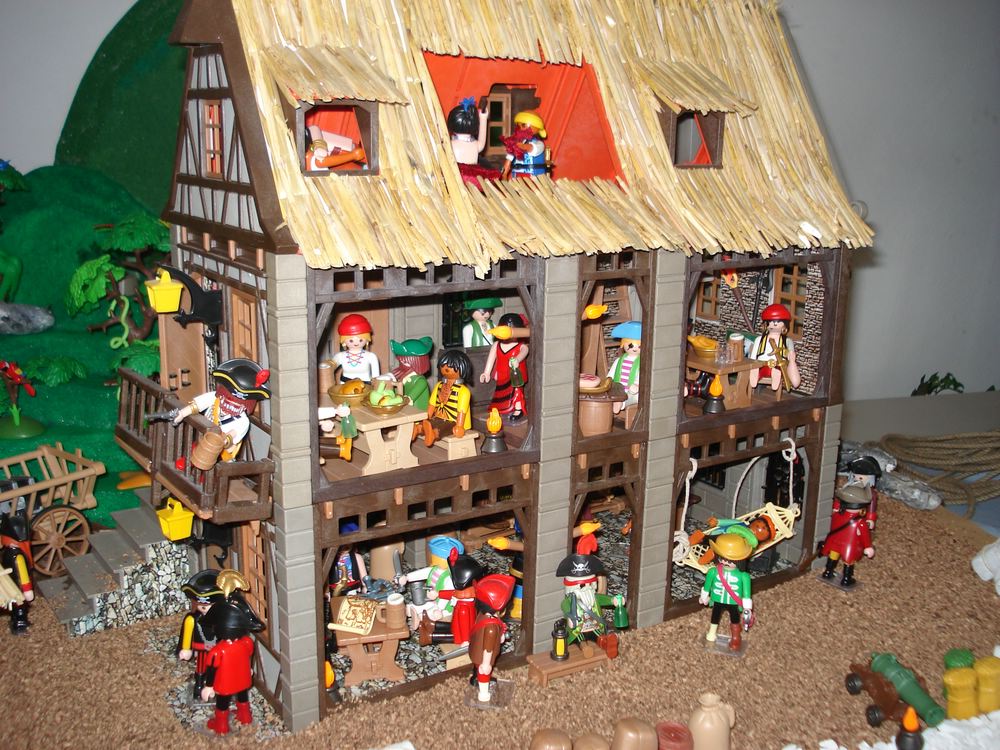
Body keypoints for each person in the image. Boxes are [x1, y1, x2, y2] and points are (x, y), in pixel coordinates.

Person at [171, 358, 271, 463]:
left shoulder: (242, 421)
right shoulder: (215, 398)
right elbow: (196, 406)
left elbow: (231, 437)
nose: (233, 402)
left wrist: (221, 441)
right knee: (189, 458)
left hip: (222, 455)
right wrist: (181, 414)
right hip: (202, 440)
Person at [201, 600, 262, 735]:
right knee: (242, 696)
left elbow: (211, 670)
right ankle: (245, 717)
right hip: (243, 680)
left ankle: (221, 725)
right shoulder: (247, 642)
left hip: (225, 685)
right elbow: (249, 656)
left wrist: (209, 686)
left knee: (222, 703)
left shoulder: (217, 651)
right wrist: (249, 669)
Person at [555, 553, 626, 657]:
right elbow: (564, 607)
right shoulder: (569, 600)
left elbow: (603, 599)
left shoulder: (594, 597)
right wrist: (570, 617)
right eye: (582, 585)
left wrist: (613, 600)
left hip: (595, 626)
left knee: (599, 636)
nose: (586, 588)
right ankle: (585, 648)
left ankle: (607, 643)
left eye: (590, 584)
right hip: (578, 630)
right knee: (580, 639)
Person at [417, 548, 485, 647]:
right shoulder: (462, 594)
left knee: (457, 634)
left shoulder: (464, 608)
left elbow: (465, 627)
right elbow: (453, 594)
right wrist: (439, 594)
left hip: (464, 628)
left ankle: (430, 637)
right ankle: (432, 625)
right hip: (458, 614)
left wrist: (466, 640)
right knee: (454, 626)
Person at [699, 532, 755, 651]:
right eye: (722, 559)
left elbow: (746, 594)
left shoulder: (743, 576)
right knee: (715, 616)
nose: (725, 563)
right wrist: (704, 596)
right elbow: (707, 586)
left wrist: (747, 607)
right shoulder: (713, 572)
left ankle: (735, 636)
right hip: (717, 600)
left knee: (735, 618)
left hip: (733, 603)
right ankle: (712, 632)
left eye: (730, 560)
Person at [177, 569, 225, 702]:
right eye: (201, 605)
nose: (204, 608)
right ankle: (198, 685)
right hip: (201, 648)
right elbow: (187, 633)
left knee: (217, 668)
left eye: (208, 605)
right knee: (200, 667)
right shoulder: (192, 619)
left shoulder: (221, 619)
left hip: (217, 649)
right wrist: (186, 648)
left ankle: (216, 687)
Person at [469, 573, 515, 704]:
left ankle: (475, 678)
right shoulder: (491, 628)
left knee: (478, 668)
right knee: (484, 673)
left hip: (475, 649)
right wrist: (486, 664)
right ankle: (483, 694)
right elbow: (488, 649)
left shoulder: (482, 615)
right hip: (482, 657)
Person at [819, 484, 875, 588]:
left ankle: (828, 571)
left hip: (834, 542)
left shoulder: (837, 515)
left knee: (833, 556)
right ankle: (846, 579)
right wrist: (868, 546)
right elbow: (865, 536)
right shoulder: (860, 522)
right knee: (848, 561)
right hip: (849, 546)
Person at [417, 349, 473, 448]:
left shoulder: (463, 391)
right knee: (427, 423)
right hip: (439, 416)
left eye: (448, 367)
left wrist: (460, 426)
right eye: (442, 366)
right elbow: (432, 404)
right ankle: (417, 429)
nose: (444, 369)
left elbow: (461, 411)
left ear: (461, 368)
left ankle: (433, 435)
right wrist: (427, 417)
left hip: (454, 421)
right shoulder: (439, 385)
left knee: (443, 427)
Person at [480, 313, 529, 423]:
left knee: (517, 391)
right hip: (501, 373)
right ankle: (501, 409)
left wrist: (517, 360)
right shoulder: (496, 345)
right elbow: (491, 359)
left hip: (515, 375)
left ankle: (518, 409)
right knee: (500, 393)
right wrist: (486, 373)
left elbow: (523, 353)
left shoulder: (522, 346)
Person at [748, 303, 801, 392]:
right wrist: (753, 365)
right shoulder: (759, 340)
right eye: (771, 322)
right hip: (761, 366)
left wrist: (791, 359)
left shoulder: (786, 341)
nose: (775, 324)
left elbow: (790, 358)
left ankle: (775, 376)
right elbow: (753, 357)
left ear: (785, 325)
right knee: (755, 369)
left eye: (778, 322)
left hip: (778, 366)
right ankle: (754, 376)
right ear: (766, 324)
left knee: (777, 371)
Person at [447, 97, 501, 184]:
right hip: (472, 178)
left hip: (457, 177)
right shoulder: (474, 145)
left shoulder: (451, 144)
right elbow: (482, 141)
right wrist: (483, 118)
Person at [1, 514, 33, 635]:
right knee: (20, 608)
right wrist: (28, 591)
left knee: (14, 607)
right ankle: (20, 625)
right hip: (17, 590)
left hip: (9, 585)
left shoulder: (6, 553)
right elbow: (23, 575)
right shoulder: (18, 557)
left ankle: (15, 621)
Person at [330, 314, 380, 383]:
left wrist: (376, 384)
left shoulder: (371, 356)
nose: (356, 343)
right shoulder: (340, 356)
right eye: (351, 340)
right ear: (343, 341)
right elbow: (331, 365)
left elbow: (376, 377)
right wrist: (328, 365)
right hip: (345, 386)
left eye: (360, 340)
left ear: (367, 339)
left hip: (365, 386)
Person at [389, 337, 434, 410]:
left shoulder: (421, 381)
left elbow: (409, 398)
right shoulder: (403, 378)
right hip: (407, 410)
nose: (401, 364)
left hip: (417, 413)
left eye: (404, 362)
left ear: (416, 362)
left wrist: (402, 400)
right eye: (400, 362)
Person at [607, 320, 641, 414]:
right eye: (631, 345)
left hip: (633, 391)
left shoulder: (641, 363)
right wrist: (608, 381)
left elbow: (641, 376)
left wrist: (637, 385)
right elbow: (611, 374)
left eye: (639, 346)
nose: (635, 348)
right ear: (623, 344)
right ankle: (613, 403)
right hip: (618, 389)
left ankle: (621, 404)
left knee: (634, 396)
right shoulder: (619, 360)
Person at [502, 111, 548, 178]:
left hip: (533, 175)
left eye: (523, 125)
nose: (520, 128)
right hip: (517, 175)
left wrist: (523, 146)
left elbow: (533, 149)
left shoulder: (539, 144)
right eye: (518, 126)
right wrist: (504, 173)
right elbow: (509, 159)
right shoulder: (517, 142)